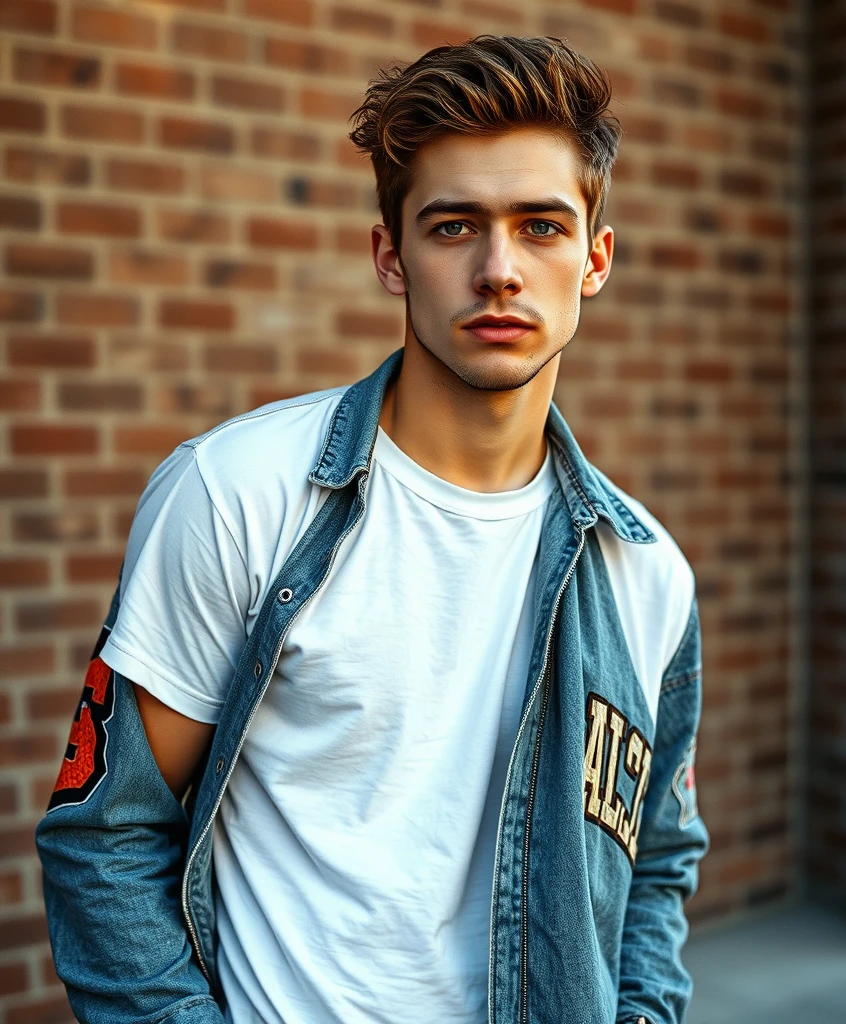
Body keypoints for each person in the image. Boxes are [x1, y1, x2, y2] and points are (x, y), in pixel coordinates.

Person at [36, 34, 708, 1024]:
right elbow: (105, 839)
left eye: (539, 227)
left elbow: (652, 861)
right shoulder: (237, 496)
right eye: (452, 227)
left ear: (594, 259)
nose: (498, 270)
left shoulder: (647, 572)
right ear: (390, 257)